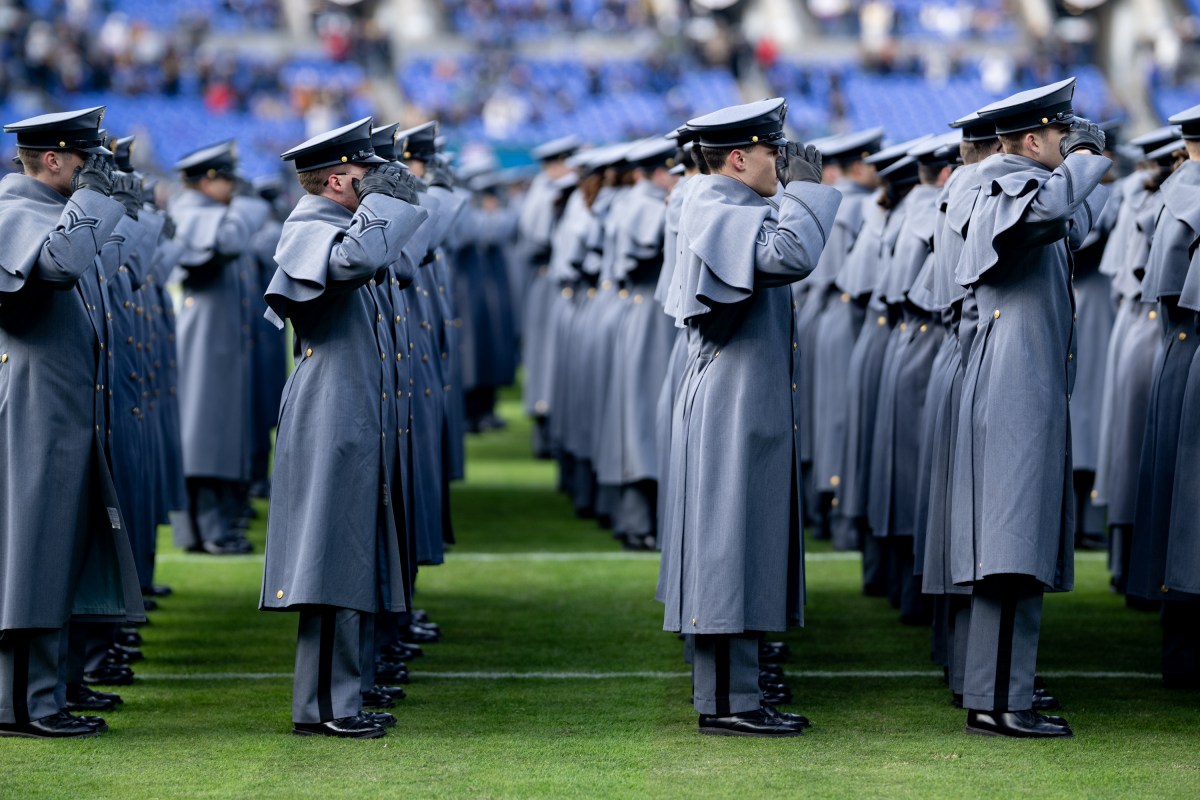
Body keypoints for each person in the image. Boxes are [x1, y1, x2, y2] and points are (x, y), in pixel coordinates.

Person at [658, 97, 841, 737]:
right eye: (771, 151)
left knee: (741, 540)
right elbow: (789, 255)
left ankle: (736, 693)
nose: (780, 162)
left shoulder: (729, 201)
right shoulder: (713, 202)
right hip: (730, 392)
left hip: (744, 389)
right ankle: (729, 703)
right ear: (739, 157)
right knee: (727, 544)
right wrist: (809, 193)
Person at [951, 77, 1110, 738]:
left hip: (1026, 376)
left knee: (1019, 546)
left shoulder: (1018, 184)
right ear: (1030, 137)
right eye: (1058, 131)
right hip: (1015, 381)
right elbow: (1045, 215)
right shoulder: (1003, 180)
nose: (1066, 140)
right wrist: (1084, 162)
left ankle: (1003, 692)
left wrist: (1079, 171)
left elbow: (1073, 224)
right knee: (1012, 550)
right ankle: (998, 703)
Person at [260, 117, 428, 738]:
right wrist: (386, 201)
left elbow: (393, 258)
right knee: (330, 556)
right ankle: (323, 706)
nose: (373, 182)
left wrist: (382, 199)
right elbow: (356, 260)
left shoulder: (341, 222)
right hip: (330, 405)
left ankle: (342, 696)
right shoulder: (309, 224)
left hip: (353, 404)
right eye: (363, 175)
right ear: (336, 179)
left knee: (352, 549)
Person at [0, 106, 144, 739]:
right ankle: (19, 706)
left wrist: (97, 197)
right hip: (34, 404)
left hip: (60, 406)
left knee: (56, 546)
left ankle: (47, 690)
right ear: (54, 159)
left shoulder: (49, 210)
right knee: (31, 550)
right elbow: (57, 267)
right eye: (86, 161)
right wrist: (89, 199)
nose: (97, 171)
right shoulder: (13, 211)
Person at [169, 141, 271, 555]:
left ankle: (214, 525)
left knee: (220, 428)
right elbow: (227, 242)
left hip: (221, 339)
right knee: (205, 432)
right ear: (207, 180)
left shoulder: (214, 212)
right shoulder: (193, 211)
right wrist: (247, 206)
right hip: (204, 339)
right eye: (226, 178)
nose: (233, 185)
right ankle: (208, 529)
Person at [1129, 104, 1200, 688]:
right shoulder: (1188, 194)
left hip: (1180, 348)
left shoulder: (1174, 190)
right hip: (1190, 343)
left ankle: (1180, 651)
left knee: (1182, 504)